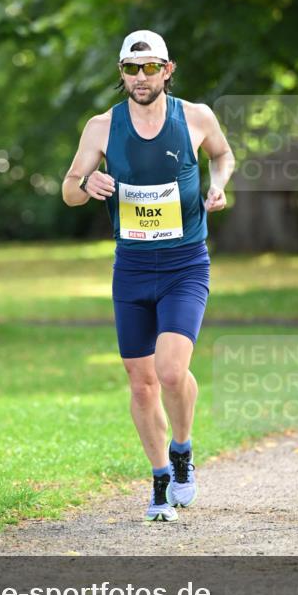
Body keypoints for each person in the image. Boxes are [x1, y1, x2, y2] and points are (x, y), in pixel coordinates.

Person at [62, 29, 235, 522]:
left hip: (185, 265)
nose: (142, 77)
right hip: (132, 267)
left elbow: (223, 155)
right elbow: (69, 190)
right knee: (141, 384)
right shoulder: (101, 127)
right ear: (122, 73)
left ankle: (182, 451)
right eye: (132, 69)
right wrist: (85, 183)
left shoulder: (196, 117)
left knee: (171, 371)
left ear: (168, 69)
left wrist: (218, 185)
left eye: (151, 67)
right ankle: (160, 478)